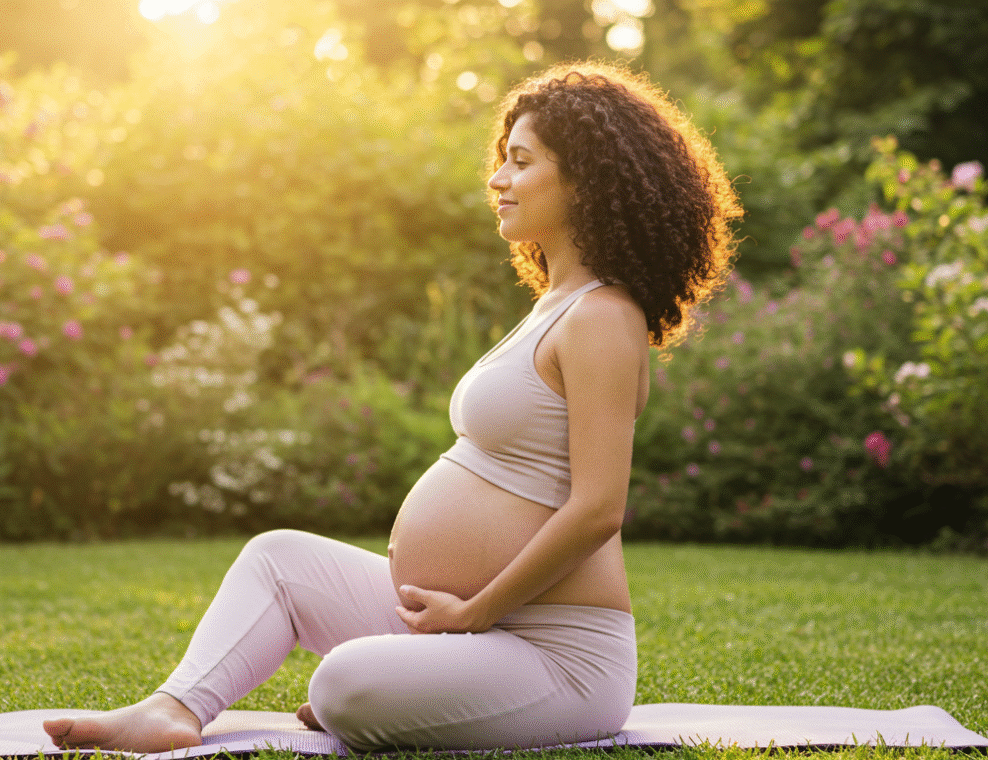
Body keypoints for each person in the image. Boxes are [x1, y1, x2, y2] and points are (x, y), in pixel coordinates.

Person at [43, 61, 740, 754]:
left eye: (520, 162)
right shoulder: (552, 308)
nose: (497, 180)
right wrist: (463, 616)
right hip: (470, 628)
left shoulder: (603, 318)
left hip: (557, 656)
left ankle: (393, 696)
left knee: (344, 684)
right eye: (502, 160)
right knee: (278, 561)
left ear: (587, 179)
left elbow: (598, 510)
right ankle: (173, 708)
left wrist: (475, 612)